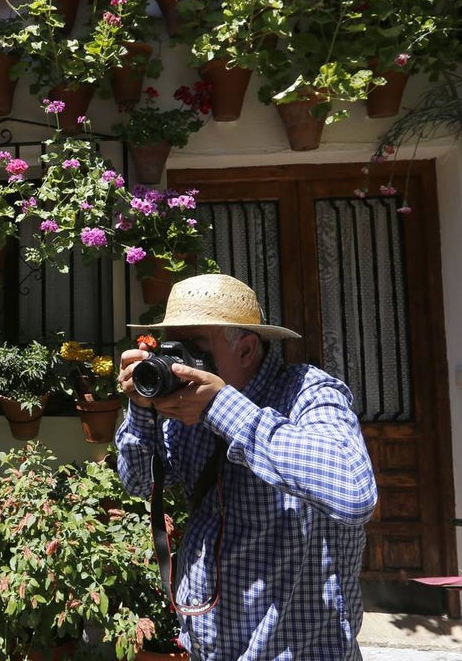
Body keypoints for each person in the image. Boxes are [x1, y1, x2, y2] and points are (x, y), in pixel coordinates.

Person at [115, 274, 378, 660]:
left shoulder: (309, 393)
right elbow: (138, 482)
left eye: (195, 347)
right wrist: (141, 409)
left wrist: (223, 407)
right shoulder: (185, 406)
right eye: (170, 345)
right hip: (206, 649)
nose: (177, 360)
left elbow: (354, 494)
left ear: (246, 350)